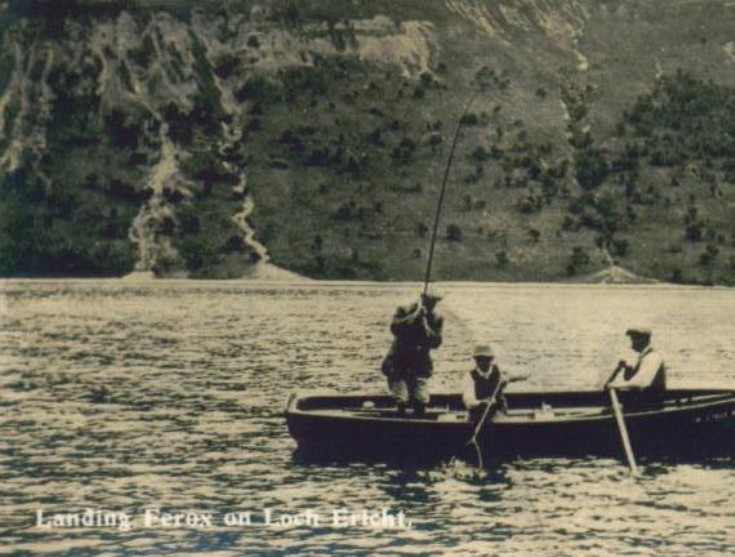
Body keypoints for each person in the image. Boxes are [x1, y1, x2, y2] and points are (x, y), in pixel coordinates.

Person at [381, 293, 443, 416]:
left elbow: (436, 342)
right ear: (422, 299)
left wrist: (425, 325)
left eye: (435, 302)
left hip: (420, 363)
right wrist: (414, 317)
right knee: (401, 398)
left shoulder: (437, 318)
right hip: (398, 360)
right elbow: (395, 328)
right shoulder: (404, 310)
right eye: (429, 301)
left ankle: (420, 420)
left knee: (421, 399)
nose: (432, 304)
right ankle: (400, 417)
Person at [462, 344, 527, 418]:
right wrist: (483, 403)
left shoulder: (499, 369)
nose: (484, 362)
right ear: (476, 360)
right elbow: (469, 402)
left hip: (498, 412)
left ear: (491, 359)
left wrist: (508, 378)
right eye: (480, 359)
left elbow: (526, 373)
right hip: (478, 414)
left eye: (487, 359)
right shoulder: (469, 377)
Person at [605, 327, 666, 395]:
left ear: (642, 340)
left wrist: (614, 385)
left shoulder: (653, 357)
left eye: (633, 339)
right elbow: (634, 381)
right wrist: (628, 370)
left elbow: (640, 383)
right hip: (643, 401)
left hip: (651, 403)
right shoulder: (643, 357)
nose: (631, 344)